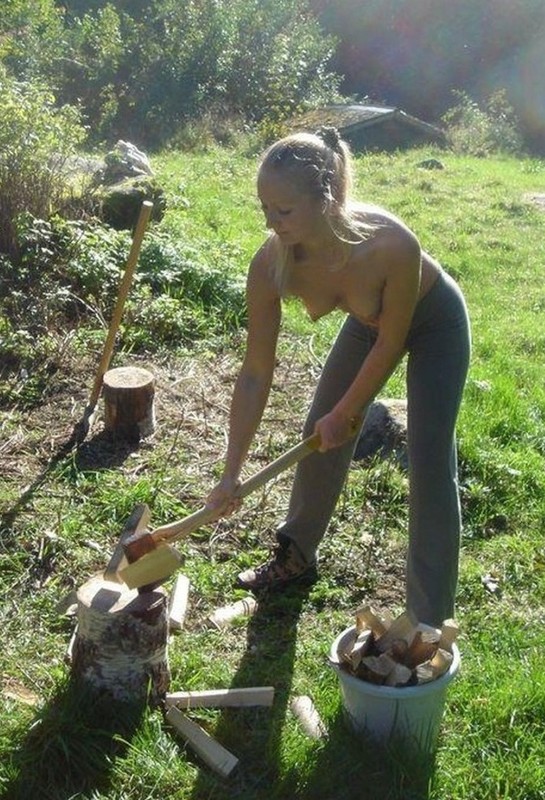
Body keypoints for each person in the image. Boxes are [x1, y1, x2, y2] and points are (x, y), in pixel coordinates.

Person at [205, 127, 471, 627]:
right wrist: (230, 472)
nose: (270, 222)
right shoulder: (270, 263)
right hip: (369, 322)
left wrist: (347, 412)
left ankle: (429, 620)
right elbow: (255, 372)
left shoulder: (392, 244)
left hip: (434, 320)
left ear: (326, 200)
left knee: (431, 458)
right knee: (318, 432)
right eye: (265, 208)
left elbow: (391, 343)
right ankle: (295, 553)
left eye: (284, 211)